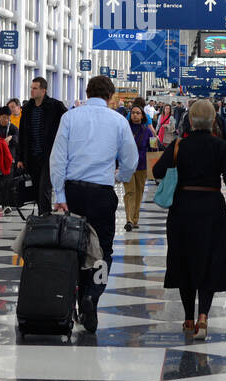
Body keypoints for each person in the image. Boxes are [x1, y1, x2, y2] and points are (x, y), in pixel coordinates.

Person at [49, 75, 139, 332]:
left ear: (87, 93)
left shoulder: (70, 118)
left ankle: (77, 301)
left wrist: (60, 195)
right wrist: (119, 177)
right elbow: (130, 160)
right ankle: (93, 295)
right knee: (103, 251)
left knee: (73, 249)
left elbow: (57, 159)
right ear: (110, 97)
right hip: (101, 193)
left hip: (73, 192)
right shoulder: (118, 121)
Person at [152, 99, 226, 340]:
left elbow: (157, 171)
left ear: (190, 120)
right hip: (211, 208)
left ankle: (187, 318)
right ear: (213, 120)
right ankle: (203, 316)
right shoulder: (220, 146)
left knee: (184, 260)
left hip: (182, 208)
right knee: (209, 260)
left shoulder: (178, 145)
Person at [20, 76, 67, 214]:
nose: (32, 91)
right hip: (32, 156)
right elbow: (23, 134)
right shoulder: (28, 108)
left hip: (49, 156)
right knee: (35, 189)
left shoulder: (55, 106)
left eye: (35, 88)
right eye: (31, 88)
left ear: (43, 91)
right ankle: (42, 216)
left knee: (44, 188)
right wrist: (20, 158)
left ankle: (45, 216)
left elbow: (67, 122)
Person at [123, 104, 154, 232]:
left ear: (142, 116)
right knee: (130, 192)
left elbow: (153, 148)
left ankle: (135, 219)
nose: (135, 115)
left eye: (138, 113)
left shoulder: (147, 131)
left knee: (139, 192)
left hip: (142, 166)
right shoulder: (125, 129)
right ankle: (129, 220)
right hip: (127, 165)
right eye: (133, 113)